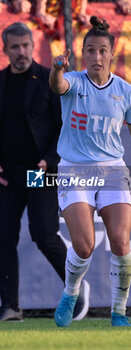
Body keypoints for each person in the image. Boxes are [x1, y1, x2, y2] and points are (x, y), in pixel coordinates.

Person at [49, 15, 131, 327]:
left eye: (102, 51)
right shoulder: (74, 82)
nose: (97, 56)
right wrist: (56, 69)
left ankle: (118, 313)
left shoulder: (126, 92)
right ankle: (70, 293)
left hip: (112, 171)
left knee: (121, 243)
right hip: (74, 170)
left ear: (112, 54)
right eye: (90, 50)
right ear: (82, 54)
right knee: (84, 246)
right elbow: (58, 86)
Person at [0, 22, 89, 322]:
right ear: (6, 50)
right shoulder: (0, 82)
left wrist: (49, 160)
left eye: (26, 45)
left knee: (43, 234)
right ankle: (10, 306)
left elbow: (65, 125)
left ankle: (75, 288)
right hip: (8, 176)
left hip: (40, 171)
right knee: (3, 238)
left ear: (32, 46)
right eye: (15, 47)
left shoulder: (47, 81)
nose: (21, 52)